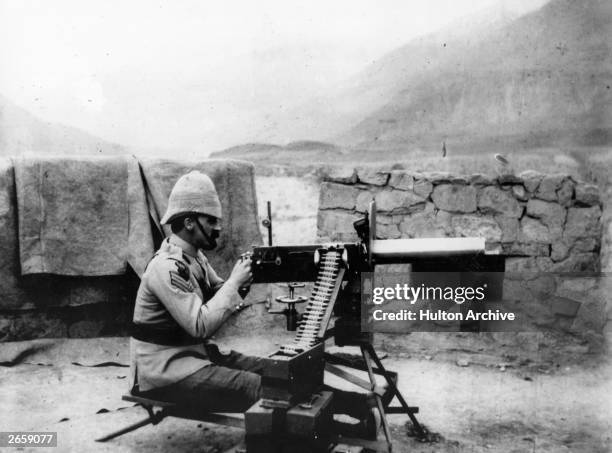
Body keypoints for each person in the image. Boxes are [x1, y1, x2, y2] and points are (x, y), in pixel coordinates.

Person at [129, 170, 263, 412]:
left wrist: (248, 277)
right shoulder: (166, 267)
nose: (218, 228)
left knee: (276, 368)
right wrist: (234, 283)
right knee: (259, 386)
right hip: (164, 370)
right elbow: (200, 325)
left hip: (191, 354)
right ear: (189, 222)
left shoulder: (194, 257)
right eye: (211, 220)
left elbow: (218, 291)